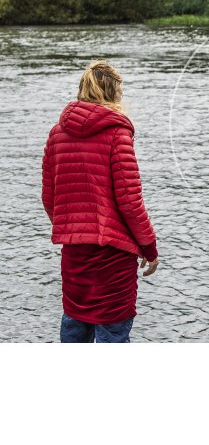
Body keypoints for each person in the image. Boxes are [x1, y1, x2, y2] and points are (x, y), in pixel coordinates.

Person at [42, 61, 159, 343]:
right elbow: (130, 201)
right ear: (115, 93)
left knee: (74, 324)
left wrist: (72, 228)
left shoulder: (57, 133)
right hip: (113, 256)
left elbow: (50, 197)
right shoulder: (117, 133)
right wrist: (149, 247)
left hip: (74, 253)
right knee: (113, 333)